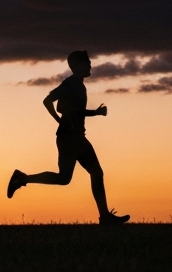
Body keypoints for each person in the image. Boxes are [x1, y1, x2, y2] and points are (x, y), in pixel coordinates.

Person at [7, 50, 129, 225]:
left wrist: (74, 116)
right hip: (69, 138)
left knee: (81, 175)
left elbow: (59, 106)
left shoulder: (76, 84)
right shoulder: (72, 83)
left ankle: (105, 217)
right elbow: (50, 102)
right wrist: (71, 119)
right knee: (73, 176)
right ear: (77, 66)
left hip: (75, 137)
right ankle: (22, 178)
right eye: (87, 63)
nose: (90, 66)